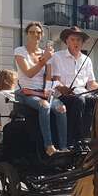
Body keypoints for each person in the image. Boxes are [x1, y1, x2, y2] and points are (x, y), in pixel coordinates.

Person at [14, 21, 68, 156]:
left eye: (38, 33)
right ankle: (48, 145)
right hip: (25, 92)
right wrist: (44, 59)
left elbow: (49, 76)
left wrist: (48, 90)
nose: (35, 35)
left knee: (61, 108)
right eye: (32, 32)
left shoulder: (46, 53)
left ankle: (63, 146)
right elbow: (29, 73)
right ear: (27, 34)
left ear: (42, 35)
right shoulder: (20, 51)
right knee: (44, 106)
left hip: (42, 92)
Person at [51, 26, 98, 148]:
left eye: (79, 40)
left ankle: (89, 136)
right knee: (80, 100)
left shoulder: (87, 60)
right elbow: (55, 81)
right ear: (67, 41)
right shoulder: (57, 57)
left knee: (96, 100)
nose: (76, 42)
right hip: (63, 95)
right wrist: (64, 89)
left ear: (82, 43)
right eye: (73, 39)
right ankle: (73, 139)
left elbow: (91, 84)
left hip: (82, 93)